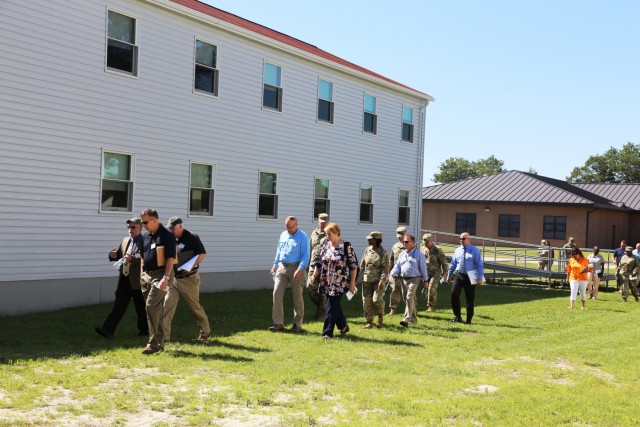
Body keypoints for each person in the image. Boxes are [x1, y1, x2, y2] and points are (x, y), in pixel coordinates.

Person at [95, 217, 148, 339]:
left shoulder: (145, 241)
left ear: (140, 228)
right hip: (124, 279)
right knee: (119, 305)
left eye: (133, 227)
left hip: (138, 280)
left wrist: (133, 259)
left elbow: (147, 258)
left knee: (140, 307)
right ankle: (107, 330)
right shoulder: (125, 240)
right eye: (128, 227)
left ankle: (144, 331)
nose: (130, 229)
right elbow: (119, 255)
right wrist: (111, 255)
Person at [161, 217, 211, 343]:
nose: (171, 231)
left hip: (189, 279)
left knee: (195, 307)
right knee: (167, 306)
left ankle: (205, 333)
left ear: (180, 227)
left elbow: (202, 254)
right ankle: (163, 337)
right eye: (170, 229)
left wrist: (190, 266)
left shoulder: (192, 236)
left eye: (173, 228)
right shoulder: (170, 238)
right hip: (174, 279)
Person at [309, 222, 358, 339]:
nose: (327, 236)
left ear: (336, 233)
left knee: (331, 305)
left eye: (329, 234)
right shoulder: (326, 245)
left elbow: (353, 266)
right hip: (326, 281)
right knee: (334, 304)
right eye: (326, 234)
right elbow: (319, 262)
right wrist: (314, 276)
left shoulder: (346, 246)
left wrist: (352, 283)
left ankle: (327, 333)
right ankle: (343, 325)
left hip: (340, 282)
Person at [139, 208, 176, 354]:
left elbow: (170, 258)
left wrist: (166, 278)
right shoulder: (147, 236)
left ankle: (153, 343)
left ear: (155, 220)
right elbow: (143, 255)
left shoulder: (167, 235)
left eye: (145, 222)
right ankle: (159, 341)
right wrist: (142, 274)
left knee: (151, 307)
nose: (143, 225)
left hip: (161, 276)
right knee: (153, 310)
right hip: (147, 276)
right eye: (142, 222)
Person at [270, 216, 310, 333]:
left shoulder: (303, 237)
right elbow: (279, 251)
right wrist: (275, 264)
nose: (289, 230)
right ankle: (278, 323)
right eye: (287, 227)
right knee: (276, 293)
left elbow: (305, 255)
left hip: (296, 267)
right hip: (282, 267)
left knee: (297, 297)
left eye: (291, 227)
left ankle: (297, 324)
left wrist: (301, 269)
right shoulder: (283, 235)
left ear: (296, 224)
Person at [389, 233, 428, 328]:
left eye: (406, 241)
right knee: (407, 299)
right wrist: (392, 274)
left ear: (413, 243)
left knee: (409, 297)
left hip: (415, 279)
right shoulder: (402, 254)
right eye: (403, 241)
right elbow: (397, 266)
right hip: (404, 279)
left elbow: (423, 268)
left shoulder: (419, 255)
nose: (404, 243)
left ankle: (406, 319)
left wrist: (426, 280)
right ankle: (413, 319)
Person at [444, 232, 484, 325]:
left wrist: (480, 277)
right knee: (454, 294)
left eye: (463, 239)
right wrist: (449, 275)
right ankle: (458, 316)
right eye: (460, 239)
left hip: (471, 275)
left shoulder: (475, 250)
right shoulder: (457, 250)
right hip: (459, 275)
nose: (461, 240)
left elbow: (479, 265)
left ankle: (469, 320)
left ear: (468, 239)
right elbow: (453, 264)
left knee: (469, 298)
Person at [357, 231, 388, 329]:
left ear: (376, 240)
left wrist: (382, 281)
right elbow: (362, 266)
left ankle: (380, 316)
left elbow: (385, 269)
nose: (368, 240)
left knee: (376, 300)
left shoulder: (383, 253)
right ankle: (369, 321)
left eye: (370, 239)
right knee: (366, 301)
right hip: (367, 281)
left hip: (377, 281)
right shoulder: (367, 250)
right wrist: (355, 278)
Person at [307, 213, 328, 320]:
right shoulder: (314, 234)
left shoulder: (330, 234)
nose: (323, 224)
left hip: (326, 267)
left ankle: (323, 312)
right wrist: (307, 265)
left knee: (323, 290)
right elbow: (310, 249)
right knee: (310, 288)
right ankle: (319, 307)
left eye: (325, 223)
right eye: (321, 222)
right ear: (318, 222)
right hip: (313, 265)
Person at [420, 233, 448, 312]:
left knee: (432, 288)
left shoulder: (437, 250)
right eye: (424, 242)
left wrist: (445, 273)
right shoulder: (422, 249)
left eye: (427, 242)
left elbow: (444, 262)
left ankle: (431, 306)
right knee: (426, 289)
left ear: (431, 241)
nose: (426, 244)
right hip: (425, 273)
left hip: (435, 273)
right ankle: (429, 304)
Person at [387, 226, 406, 316]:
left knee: (408, 292)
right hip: (396, 274)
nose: (399, 237)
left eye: (401, 235)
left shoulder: (410, 245)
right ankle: (393, 309)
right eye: (398, 235)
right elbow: (391, 260)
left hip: (407, 274)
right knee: (394, 290)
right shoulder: (395, 246)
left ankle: (411, 310)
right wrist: (389, 272)